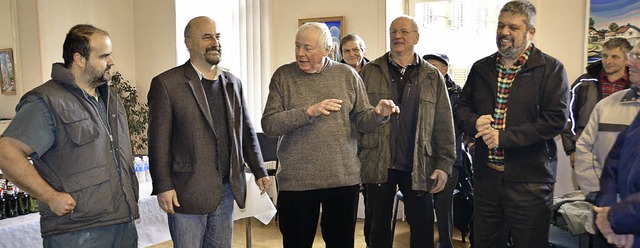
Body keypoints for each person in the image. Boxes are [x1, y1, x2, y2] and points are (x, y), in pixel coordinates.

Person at [261, 22, 399, 248]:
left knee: (341, 243)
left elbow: (362, 119)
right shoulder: (283, 76)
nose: (300, 53)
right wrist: (308, 112)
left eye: (307, 47)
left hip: (342, 178)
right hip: (298, 180)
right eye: (297, 46)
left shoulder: (346, 75)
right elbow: (270, 124)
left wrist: (378, 114)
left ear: (327, 50)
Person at [0, 24, 139, 247]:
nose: (111, 62)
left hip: (122, 224)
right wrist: (50, 196)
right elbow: (7, 153)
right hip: (77, 233)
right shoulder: (46, 101)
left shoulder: (111, 99)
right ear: (79, 59)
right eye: (104, 56)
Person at [453, 1, 569, 247]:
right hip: (487, 181)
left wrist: (503, 137)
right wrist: (474, 122)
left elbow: (556, 120)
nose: (504, 32)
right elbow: (460, 108)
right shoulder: (481, 68)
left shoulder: (551, 69)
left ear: (531, 32)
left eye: (513, 27)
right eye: (500, 25)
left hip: (531, 183)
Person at [147, 16, 269, 248]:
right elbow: (158, 142)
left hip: (226, 190)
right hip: (186, 191)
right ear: (188, 43)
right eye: (206, 37)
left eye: (217, 36)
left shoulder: (233, 83)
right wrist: (163, 185)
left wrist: (259, 169)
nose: (215, 42)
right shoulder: (167, 84)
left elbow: (245, 131)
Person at [358, 16, 455, 248]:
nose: (397, 36)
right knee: (376, 228)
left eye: (403, 32)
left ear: (416, 38)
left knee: (422, 228)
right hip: (378, 161)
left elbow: (444, 123)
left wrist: (444, 164)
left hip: (419, 162)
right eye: (393, 32)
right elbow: (357, 118)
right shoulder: (369, 72)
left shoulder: (433, 76)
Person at [593, 40, 640, 248]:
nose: (630, 62)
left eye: (638, 57)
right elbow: (613, 163)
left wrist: (613, 219)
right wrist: (606, 207)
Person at [562, 38, 632, 171]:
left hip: (627, 154)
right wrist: (573, 148)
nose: (608, 61)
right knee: (588, 191)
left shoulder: (636, 85)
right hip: (588, 152)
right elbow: (566, 115)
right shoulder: (584, 82)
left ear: (627, 59)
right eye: (604, 56)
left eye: (614, 57)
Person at [423, 53, 464, 248]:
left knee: (443, 205)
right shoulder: (421, 90)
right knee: (422, 206)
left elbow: (456, 129)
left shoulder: (458, 93)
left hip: (450, 159)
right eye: (427, 65)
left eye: (434, 66)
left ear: (445, 69)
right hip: (423, 158)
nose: (429, 69)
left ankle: (446, 243)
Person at [339, 32, 372, 247]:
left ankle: (371, 241)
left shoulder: (375, 72)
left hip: (371, 143)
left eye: (355, 49)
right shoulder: (334, 73)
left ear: (363, 50)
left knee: (373, 203)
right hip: (344, 142)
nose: (352, 54)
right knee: (344, 205)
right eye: (346, 51)